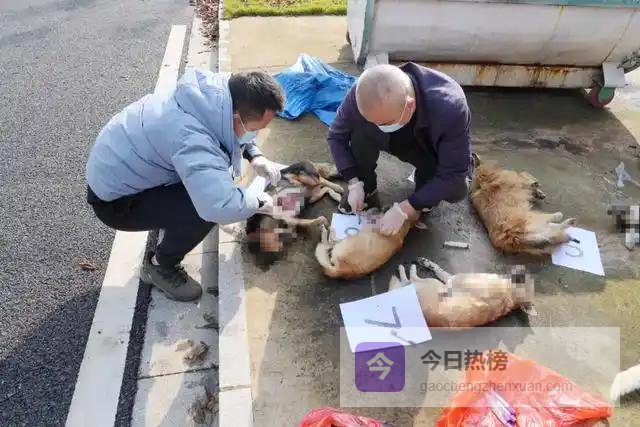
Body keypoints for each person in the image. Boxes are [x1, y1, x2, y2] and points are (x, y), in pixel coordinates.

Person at [86, 69, 284, 301]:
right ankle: (160, 266)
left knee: (211, 180)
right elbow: (218, 205)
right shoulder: (192, 139)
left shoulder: (214, 94)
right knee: (203, 209)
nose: (255, 134)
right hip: (115, 202)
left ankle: (167, 218)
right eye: (255, 130)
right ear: (235, 117)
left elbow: (231, 132)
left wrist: (254, 155)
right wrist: (258, 201)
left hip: (123, 170)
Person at [327, 63, 473, 235]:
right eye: (374, 122)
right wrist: (353, 182)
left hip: (425, 147)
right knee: (359, 130)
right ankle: (366, 185)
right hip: (392, 139)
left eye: (385, 123)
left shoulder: (450, 108)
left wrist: (409, 206)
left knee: (456, 190)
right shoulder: (362, 93)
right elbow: (336, 136)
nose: (379, 127)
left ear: (410, 105)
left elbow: (453, 174)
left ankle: (426, 181)